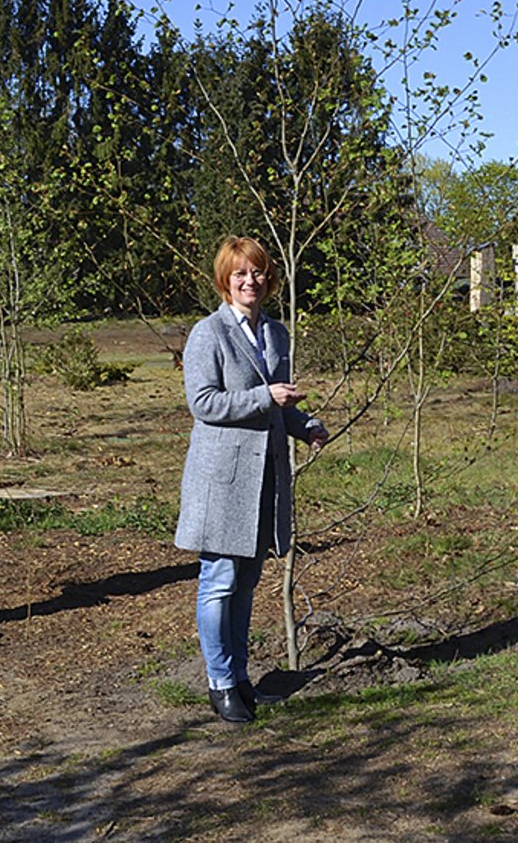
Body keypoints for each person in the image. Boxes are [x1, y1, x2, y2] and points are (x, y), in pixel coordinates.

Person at [175, 236, 329, 723]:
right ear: (225, 280)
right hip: (222, 481)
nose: (250, 281)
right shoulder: (209, 333)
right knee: (219, 580)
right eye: (240, 273)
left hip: (264, 480)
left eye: (257, 272)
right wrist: (267, 397)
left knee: (246, 583)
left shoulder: (276, 333)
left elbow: (279, 405)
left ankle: (240, 678)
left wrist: (305, 425)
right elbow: (204, 403)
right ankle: (219, 682)